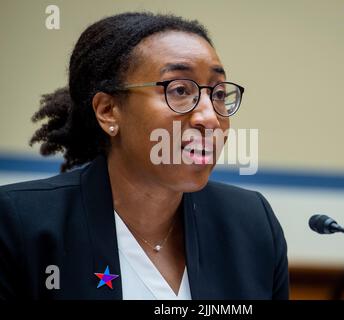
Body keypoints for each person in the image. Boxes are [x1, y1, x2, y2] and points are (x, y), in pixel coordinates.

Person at [0, 12, 288, 300]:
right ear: (108, 111)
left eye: (219, 94)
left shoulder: (250, 223)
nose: (210, 117)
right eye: (179, 90)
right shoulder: (20, 223)